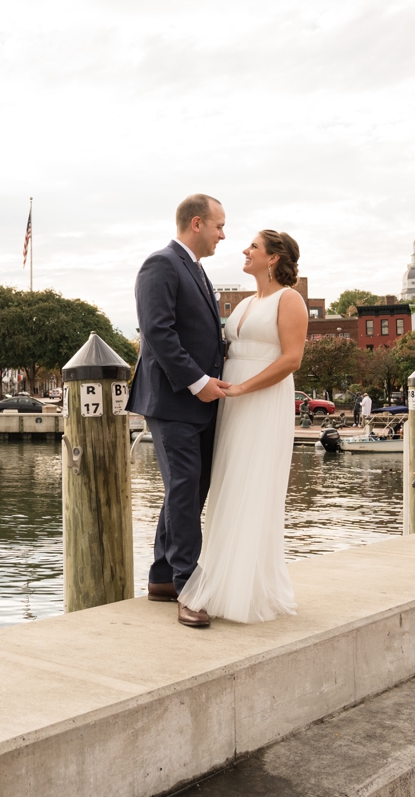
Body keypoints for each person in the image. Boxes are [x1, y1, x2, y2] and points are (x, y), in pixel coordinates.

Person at [178, 229, 308, 626]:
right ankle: (221, 577)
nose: (244, 250)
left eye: (253, 246)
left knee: (252, 483)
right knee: (228, 482)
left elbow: (292, 360)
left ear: (273, 258)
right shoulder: (247, 301)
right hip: (231, 400)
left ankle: (237, 587)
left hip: (261, 400)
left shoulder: (291, 300)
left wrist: (245, 388)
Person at [126, 194, 232, 628]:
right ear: (196, 223)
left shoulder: (198, 270)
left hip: (198, 400)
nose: (223, 234)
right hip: (173, 400)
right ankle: (189, 587)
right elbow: (157, 331)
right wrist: (199, 381)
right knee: (186, 486)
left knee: (188, 489)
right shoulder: (162, 264)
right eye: (219, 226)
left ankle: (163, 577)